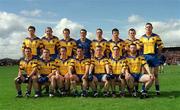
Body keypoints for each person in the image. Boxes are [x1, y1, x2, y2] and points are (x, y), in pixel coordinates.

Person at [140, 23, 164, 95]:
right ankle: (143, 89)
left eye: (149, 27)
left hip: (153, 56)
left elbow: (160, 46)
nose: (148, 28)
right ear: (145, 28)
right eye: (147, 27)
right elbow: (139, 47)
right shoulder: (142, 37)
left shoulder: (156, 36)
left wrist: (158, 54)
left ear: (152, 28)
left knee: (156, 74)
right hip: (145, 56)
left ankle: (157, 90)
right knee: (145, 74)